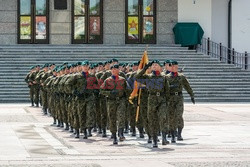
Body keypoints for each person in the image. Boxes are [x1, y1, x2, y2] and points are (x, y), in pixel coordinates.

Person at [135, 60, 170, 148]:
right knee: (152, 120)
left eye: (156, 65)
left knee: (163, 118)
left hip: (162, 100)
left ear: (160, 67)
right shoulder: (148, 77)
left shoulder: (164, 77)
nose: (154, 66)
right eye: (153, 65)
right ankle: (154, 140)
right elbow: (137, 77)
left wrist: (167, 101)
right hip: (152, 99)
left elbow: (167, 90)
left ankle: (164, 138)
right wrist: (145, 68)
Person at [166, 60, 195, 143]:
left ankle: (179, 134)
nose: (174, 68)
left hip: (178, 97)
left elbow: (187, 86)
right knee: (171, 116)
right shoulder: (166, 77)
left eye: (175, 66)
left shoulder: (181, 77)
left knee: (179, 115)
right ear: (170, 67)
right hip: (170, 98)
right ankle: (172, 134)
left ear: (177, 67)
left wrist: (191, 95)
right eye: (172, 66)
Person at [100, 64, 129, 145]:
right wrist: (110, 93)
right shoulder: (107, 80)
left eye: (115, 69)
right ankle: (114, 136)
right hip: (111, 101)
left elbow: (127, 90)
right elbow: (101, 91)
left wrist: (128, 99)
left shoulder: (123, 80)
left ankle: (121, 133)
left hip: (121, 100)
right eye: (112, 69)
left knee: (121, 116)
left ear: (118, 70)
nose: (113, 70)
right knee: (112, 118)